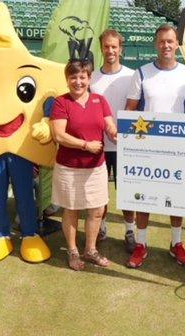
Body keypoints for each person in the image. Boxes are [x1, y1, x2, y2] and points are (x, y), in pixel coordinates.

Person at [125, 24, 185, 268]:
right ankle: (141, 244)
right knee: (144, 198)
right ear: (155, 44)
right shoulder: (142, 73)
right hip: (147, 149)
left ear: (177, 44)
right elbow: (130, 111)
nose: (166, 46)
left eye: (170, 41)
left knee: (176, 197)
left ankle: (176, 243)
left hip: (178, 149)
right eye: (161, 41)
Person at [50, 59, 117, 270]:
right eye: (73, 77)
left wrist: (119, 135)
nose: (78, 82)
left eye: (82, 77)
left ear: (89, 78)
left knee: (97, 210)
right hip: (69, 168)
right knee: (72, 210)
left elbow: (109, 127)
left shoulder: (100, 100)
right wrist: (85, 145)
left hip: (96, 168)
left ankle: (90, 250)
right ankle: (72, 251)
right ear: (67, 79)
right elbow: (58, 135)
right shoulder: (61, 102)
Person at [90, 29, 136, 253]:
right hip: (98, 146)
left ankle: (130, 231)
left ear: (121, 48)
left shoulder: (131, 75)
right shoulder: (92, 78)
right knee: (100, 192)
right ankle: (101, 227)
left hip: (124, 146)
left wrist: (120, 131)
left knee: (127, 192)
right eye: (106, 46)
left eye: (114, 46)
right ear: (101, 48)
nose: (110, 50)